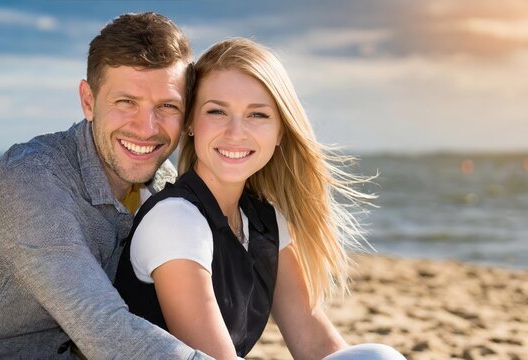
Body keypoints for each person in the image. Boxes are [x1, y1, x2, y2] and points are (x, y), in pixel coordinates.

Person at [0, 12, 212, 359]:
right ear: (89, 101)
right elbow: (105, 328)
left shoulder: (163, 183)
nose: (146, 127)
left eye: (167, 106)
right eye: (126, 102)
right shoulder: (30, 182)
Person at [114, 38, 406, 360]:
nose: (235, 132)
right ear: (191, 124)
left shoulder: (266, 220)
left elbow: (314, 343)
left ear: (281, 130)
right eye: (217, 111)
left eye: (257, 115)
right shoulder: (175, 219)